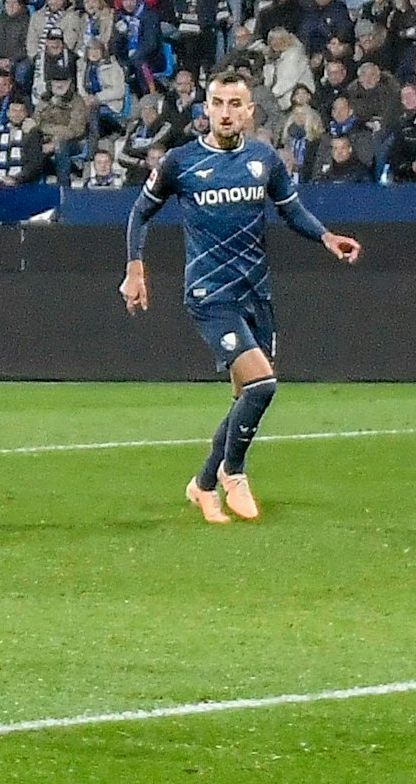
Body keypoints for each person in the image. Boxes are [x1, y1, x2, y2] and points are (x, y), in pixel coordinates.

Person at [121, 68, 363, 524]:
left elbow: (291, 210)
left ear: (250, 112)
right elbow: (140, 211)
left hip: (256, 293)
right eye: (218, 104)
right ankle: (234, 472)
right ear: (205, 109)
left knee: (244, 398)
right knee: (262, 384)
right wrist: (135, 267)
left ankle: (204, 484)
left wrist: (327, 237)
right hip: (210, 294)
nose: (226, 113)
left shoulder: (264, 160)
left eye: (236, 105)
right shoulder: (180, 162)